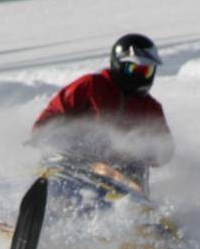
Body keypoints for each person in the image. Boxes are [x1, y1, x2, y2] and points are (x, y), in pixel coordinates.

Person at [32, 33, 174, 187]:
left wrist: (143, 149)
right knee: (92, 136)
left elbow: (164, 149)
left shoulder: (151, 108)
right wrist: (49, 135)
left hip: (120, 178)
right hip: (74, 165)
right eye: (135, 70)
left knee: (137, 162)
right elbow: (50, 117)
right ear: (119, 65)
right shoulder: (92, 85)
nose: (141, 77)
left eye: (146, 71)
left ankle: (135, 206)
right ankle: (49, 192)